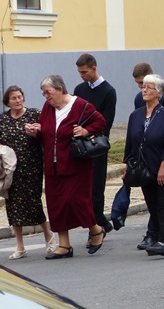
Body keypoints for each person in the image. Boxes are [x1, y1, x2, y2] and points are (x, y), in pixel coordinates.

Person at [25, 75, 106, 259]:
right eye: (44, 93)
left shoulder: (81, 106)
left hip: (75, 164)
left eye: (48, 92)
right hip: (52, 165)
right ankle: (64, 245)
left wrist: (86, 131)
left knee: (76, 200)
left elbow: (100, 122)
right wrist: (36, 131)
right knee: (56, 204)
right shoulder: (48, 108)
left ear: (60, 89)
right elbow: (45, 133)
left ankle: (96, 229)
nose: (46, 96)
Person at [124, 74, 164, 256]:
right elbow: (130, 144)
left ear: (159, 93)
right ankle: (155, 237)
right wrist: (128, 166)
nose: (144, 90)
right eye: (143, 87)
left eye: (149, 87)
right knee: (152, 203)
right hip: (144, 168)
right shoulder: (136, 115)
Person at [0, 86, 55, 260]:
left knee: (33, 202)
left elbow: (47, 135)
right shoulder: (2, 119)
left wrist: (37, 132)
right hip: (10, 169)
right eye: (14, 98)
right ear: (7, 102)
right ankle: (20, 246)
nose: (18, 100)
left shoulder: (34, 114)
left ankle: (48, 235)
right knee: (12, 206)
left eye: (20, 97)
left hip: (31, 166)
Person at [73, 53, 117, 236]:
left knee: (96, 187)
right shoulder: (79, 89)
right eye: (79, 72)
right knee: (83, 186)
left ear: (94, 68)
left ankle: (98, 222)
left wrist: (90, 133)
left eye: (84, 72)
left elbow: (107, 122)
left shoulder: (108, 91)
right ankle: (98, 222)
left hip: (97, 145)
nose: (81, 75)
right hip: (80, 144)